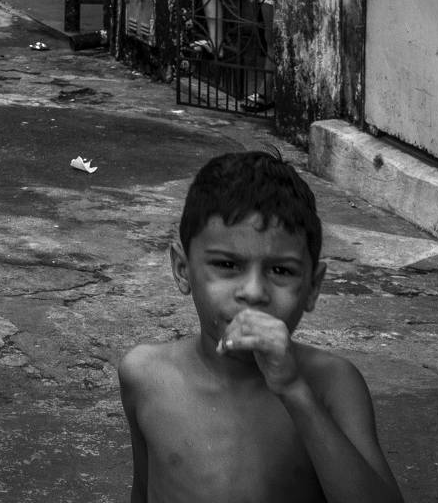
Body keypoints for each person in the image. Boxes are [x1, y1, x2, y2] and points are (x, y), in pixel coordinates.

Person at [117, 151, 401, 503]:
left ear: (312, 287)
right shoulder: (145, 375)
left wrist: (294, 391)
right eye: (226, 264)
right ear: (182, 269)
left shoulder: (332, 383)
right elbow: (143, 492)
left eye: (281, 271)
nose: (252, 292)